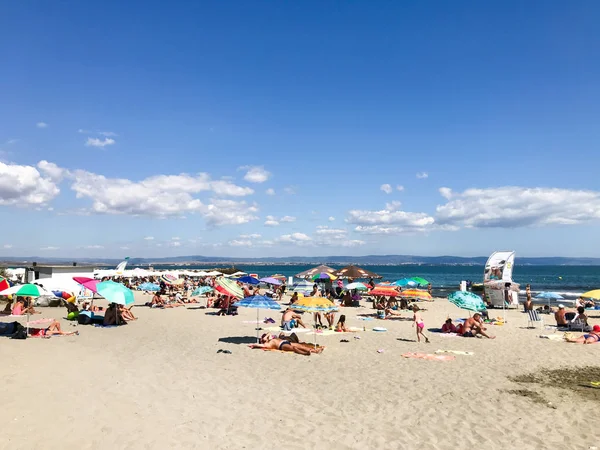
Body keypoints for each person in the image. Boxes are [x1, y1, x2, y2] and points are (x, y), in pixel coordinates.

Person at [248, 333, 323, 355]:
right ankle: (305, 353)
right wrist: (254, 345)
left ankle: (315, 350)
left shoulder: (270, 338)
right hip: (282, 346)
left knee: (301, 345)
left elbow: (269, 333)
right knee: (294, 348)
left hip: (286, 342)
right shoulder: (267, 345)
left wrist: (265, 337)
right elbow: (260, 345)